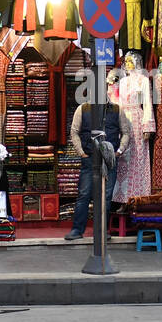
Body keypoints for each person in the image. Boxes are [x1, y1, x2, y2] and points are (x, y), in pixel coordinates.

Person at [64, 99, 131, 241]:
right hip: (89, 157)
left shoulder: (117, 110)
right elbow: (74, 131)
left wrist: (119, 151)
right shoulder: (83, 109)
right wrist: (81, 151)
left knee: (105, 197)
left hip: (109, 159)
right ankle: (77, 229)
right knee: (84, 194)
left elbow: (126, 132)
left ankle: (101, 231)